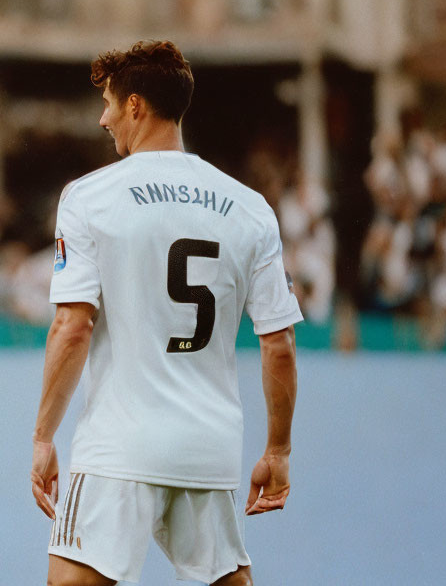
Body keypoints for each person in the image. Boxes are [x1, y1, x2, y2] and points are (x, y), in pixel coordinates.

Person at [30, 41, 301, 586]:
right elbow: (278, 345)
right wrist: (278, 449)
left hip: (118, 448)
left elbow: (72, 325)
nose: (103, 118)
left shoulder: (89, 197)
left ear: (135, 106)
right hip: (209, 448)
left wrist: (42, 437)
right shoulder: (249, 207)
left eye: (108, 103)